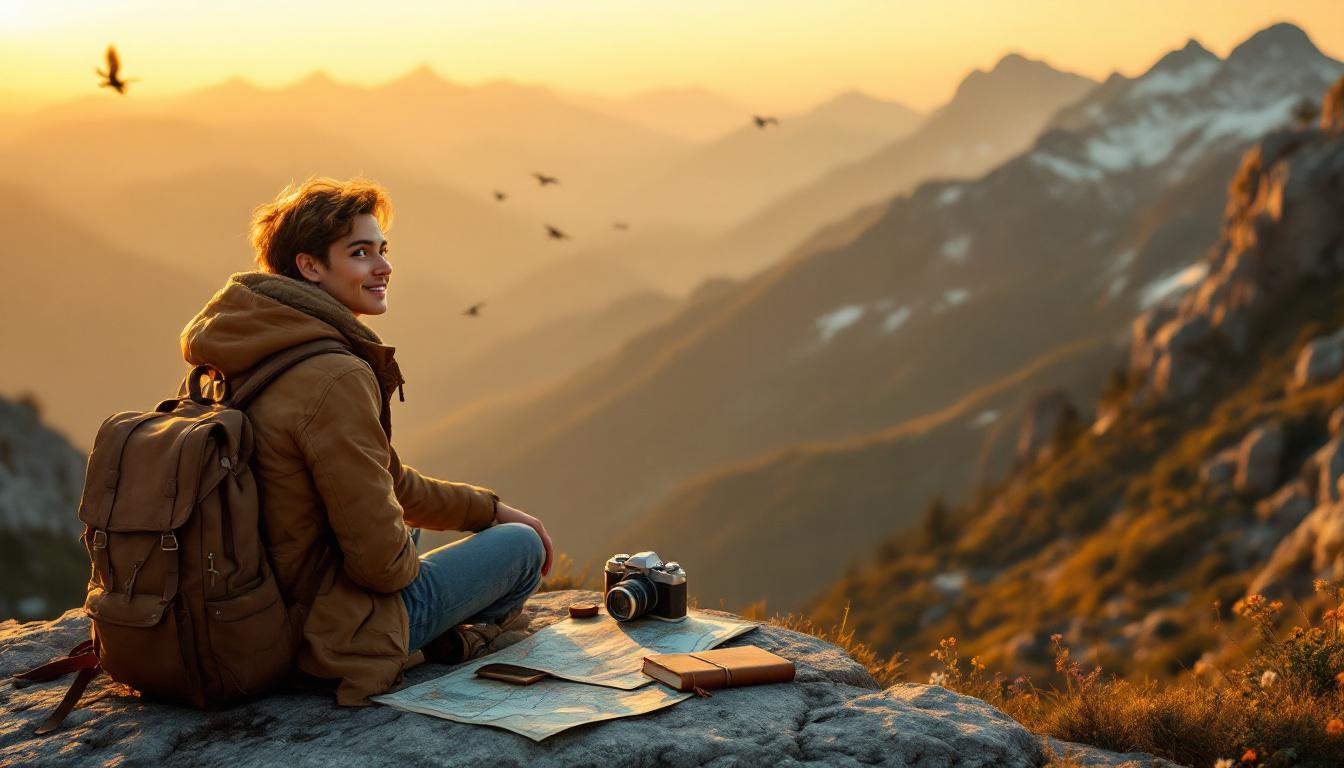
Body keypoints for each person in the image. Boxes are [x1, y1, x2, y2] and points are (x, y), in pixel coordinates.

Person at [178, 176, 553, 706]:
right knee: (522, 549)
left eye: (383, 250)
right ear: (310, 266)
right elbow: (382, 566)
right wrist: (478, 536)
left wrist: (487, 511)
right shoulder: (332, 374)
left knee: (416, 527)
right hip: (321, 635)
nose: (384, 268)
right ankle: (425, 646)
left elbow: (386, 480)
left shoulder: (238, 350)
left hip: (247, 604)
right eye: (360, 253)